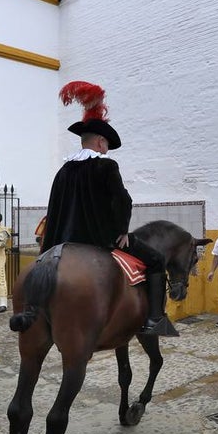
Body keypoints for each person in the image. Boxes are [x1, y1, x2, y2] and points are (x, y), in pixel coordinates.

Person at [41, 81, 177, 337]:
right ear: (101, 142)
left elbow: (55, 206)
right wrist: (122, 230)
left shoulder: (64, 170)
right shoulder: (106, 166)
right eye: (107, 145)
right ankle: (154, 320)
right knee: (157, 260)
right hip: (99, 239)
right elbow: (122, 200)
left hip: (61, 240)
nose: (107, 150)